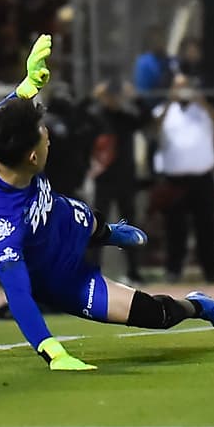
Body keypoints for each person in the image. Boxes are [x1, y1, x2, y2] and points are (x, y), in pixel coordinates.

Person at [0, 34, 214, 371]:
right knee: (156, 316)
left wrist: (30, 83)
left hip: (58, 215)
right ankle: (201, 306)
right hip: (60, 277)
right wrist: (53, 352)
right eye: (43, 133)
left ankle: (106, 232)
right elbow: (17, 294)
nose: (48, 135)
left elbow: (11, 105)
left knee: (85, 219)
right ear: (32, 157)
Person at [151, 73, 214, 284]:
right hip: (174, 180)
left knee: (206, 227)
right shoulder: (164, 111)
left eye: (185, 86)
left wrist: (203, 103)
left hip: (202, 178)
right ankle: (174, 270)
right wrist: (169, 103)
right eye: (178, 86)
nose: (182, 90)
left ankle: (212, 271)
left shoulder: (203, 111)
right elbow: (152, 131)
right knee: (175, 228)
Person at [85, 77, 148, 283]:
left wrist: (136, 97)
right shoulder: (95, 117)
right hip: (103, 179)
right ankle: (93, 270)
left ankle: (133, 272)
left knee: (130, 225)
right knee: (97, 226)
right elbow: (80, 117)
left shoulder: (126, 118)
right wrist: (94, 96)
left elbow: (145, 119)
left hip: (125, 179)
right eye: (109, 96)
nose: (113, 100)